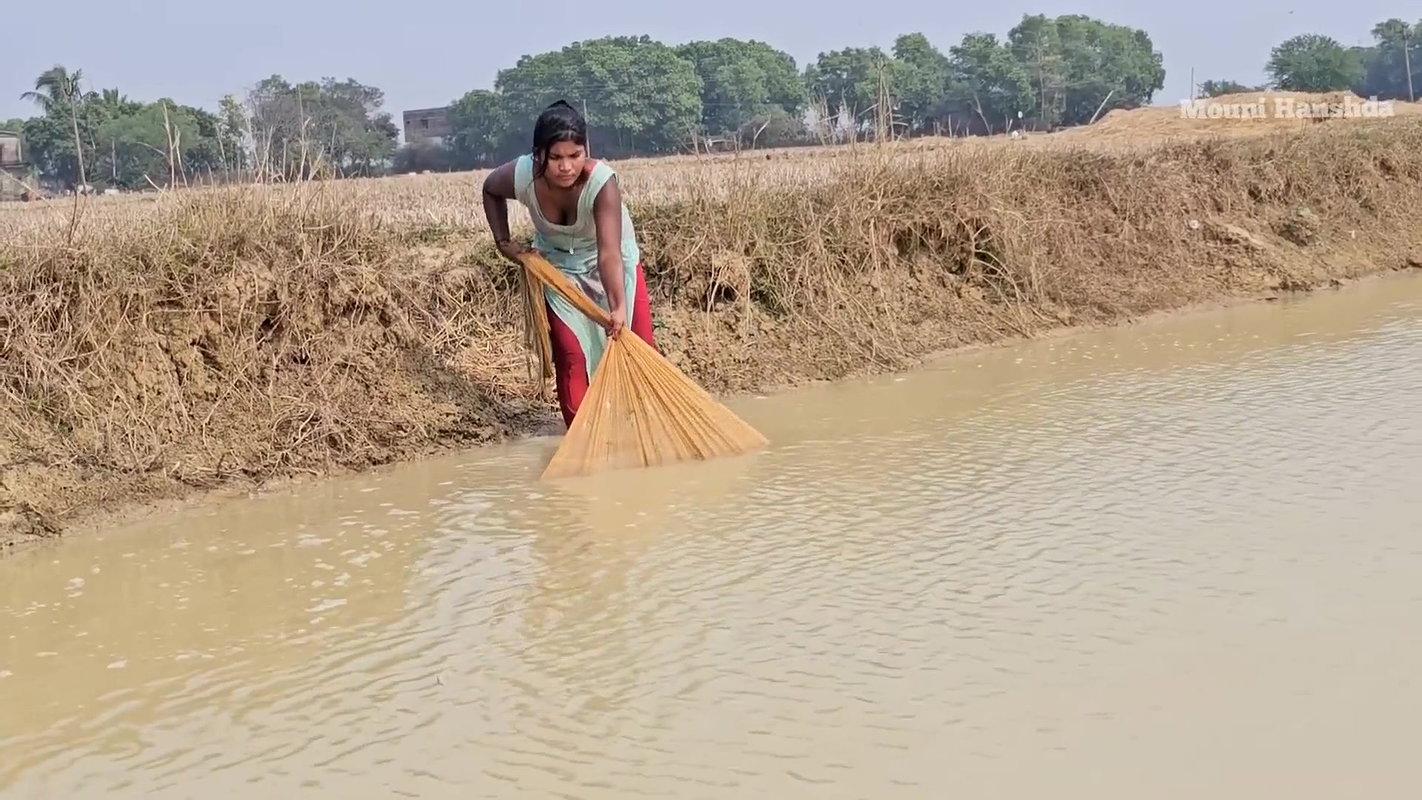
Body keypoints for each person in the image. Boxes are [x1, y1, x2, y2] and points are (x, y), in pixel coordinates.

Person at [482, 100, 658, 429]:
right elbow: (490, 188)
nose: (567, 167)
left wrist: (619, 306)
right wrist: (504, 243)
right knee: (571, 355)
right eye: (557, 158)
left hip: (611, 259)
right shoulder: (522, 176)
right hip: (559, 268)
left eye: (575, 156)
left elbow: (609, 253)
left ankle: (644, 425)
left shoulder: (602, 183)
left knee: (641, 346)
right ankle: (582, 434)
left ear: (585, 151)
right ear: (539, 157)